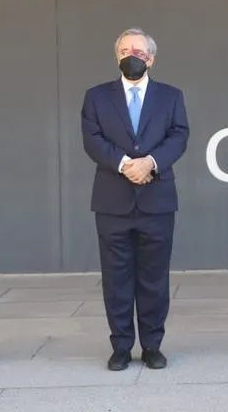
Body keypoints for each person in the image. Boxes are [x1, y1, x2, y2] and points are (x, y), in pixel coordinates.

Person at [80, 28, 189, 371]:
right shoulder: (97, 96)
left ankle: (153, 345)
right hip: (113, 201)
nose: (132, 56)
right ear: (117, 56)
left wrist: (150, 164)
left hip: (157, 200)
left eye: (139, 52)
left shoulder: (170, 96)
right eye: (125, 50)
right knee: (116, 277)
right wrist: (126, 164)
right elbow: (92, 139)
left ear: (151, 59)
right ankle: (121, 346)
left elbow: (179, 136)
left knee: (154, 278)